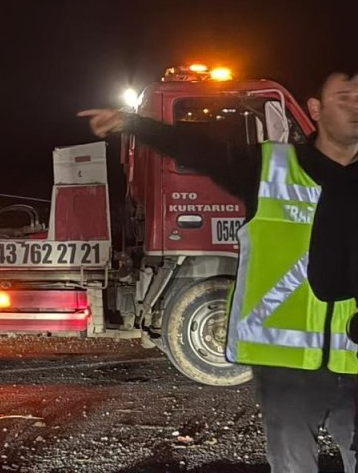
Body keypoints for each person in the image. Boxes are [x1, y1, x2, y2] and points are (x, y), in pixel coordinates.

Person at [79, 71, 358, 473]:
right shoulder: (269, 168)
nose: (354, 106)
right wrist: (133, 123)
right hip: (289, 368)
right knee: (295, 466)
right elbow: (199, 149)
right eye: (343, 96)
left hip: (355, 358)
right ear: (315, 110)